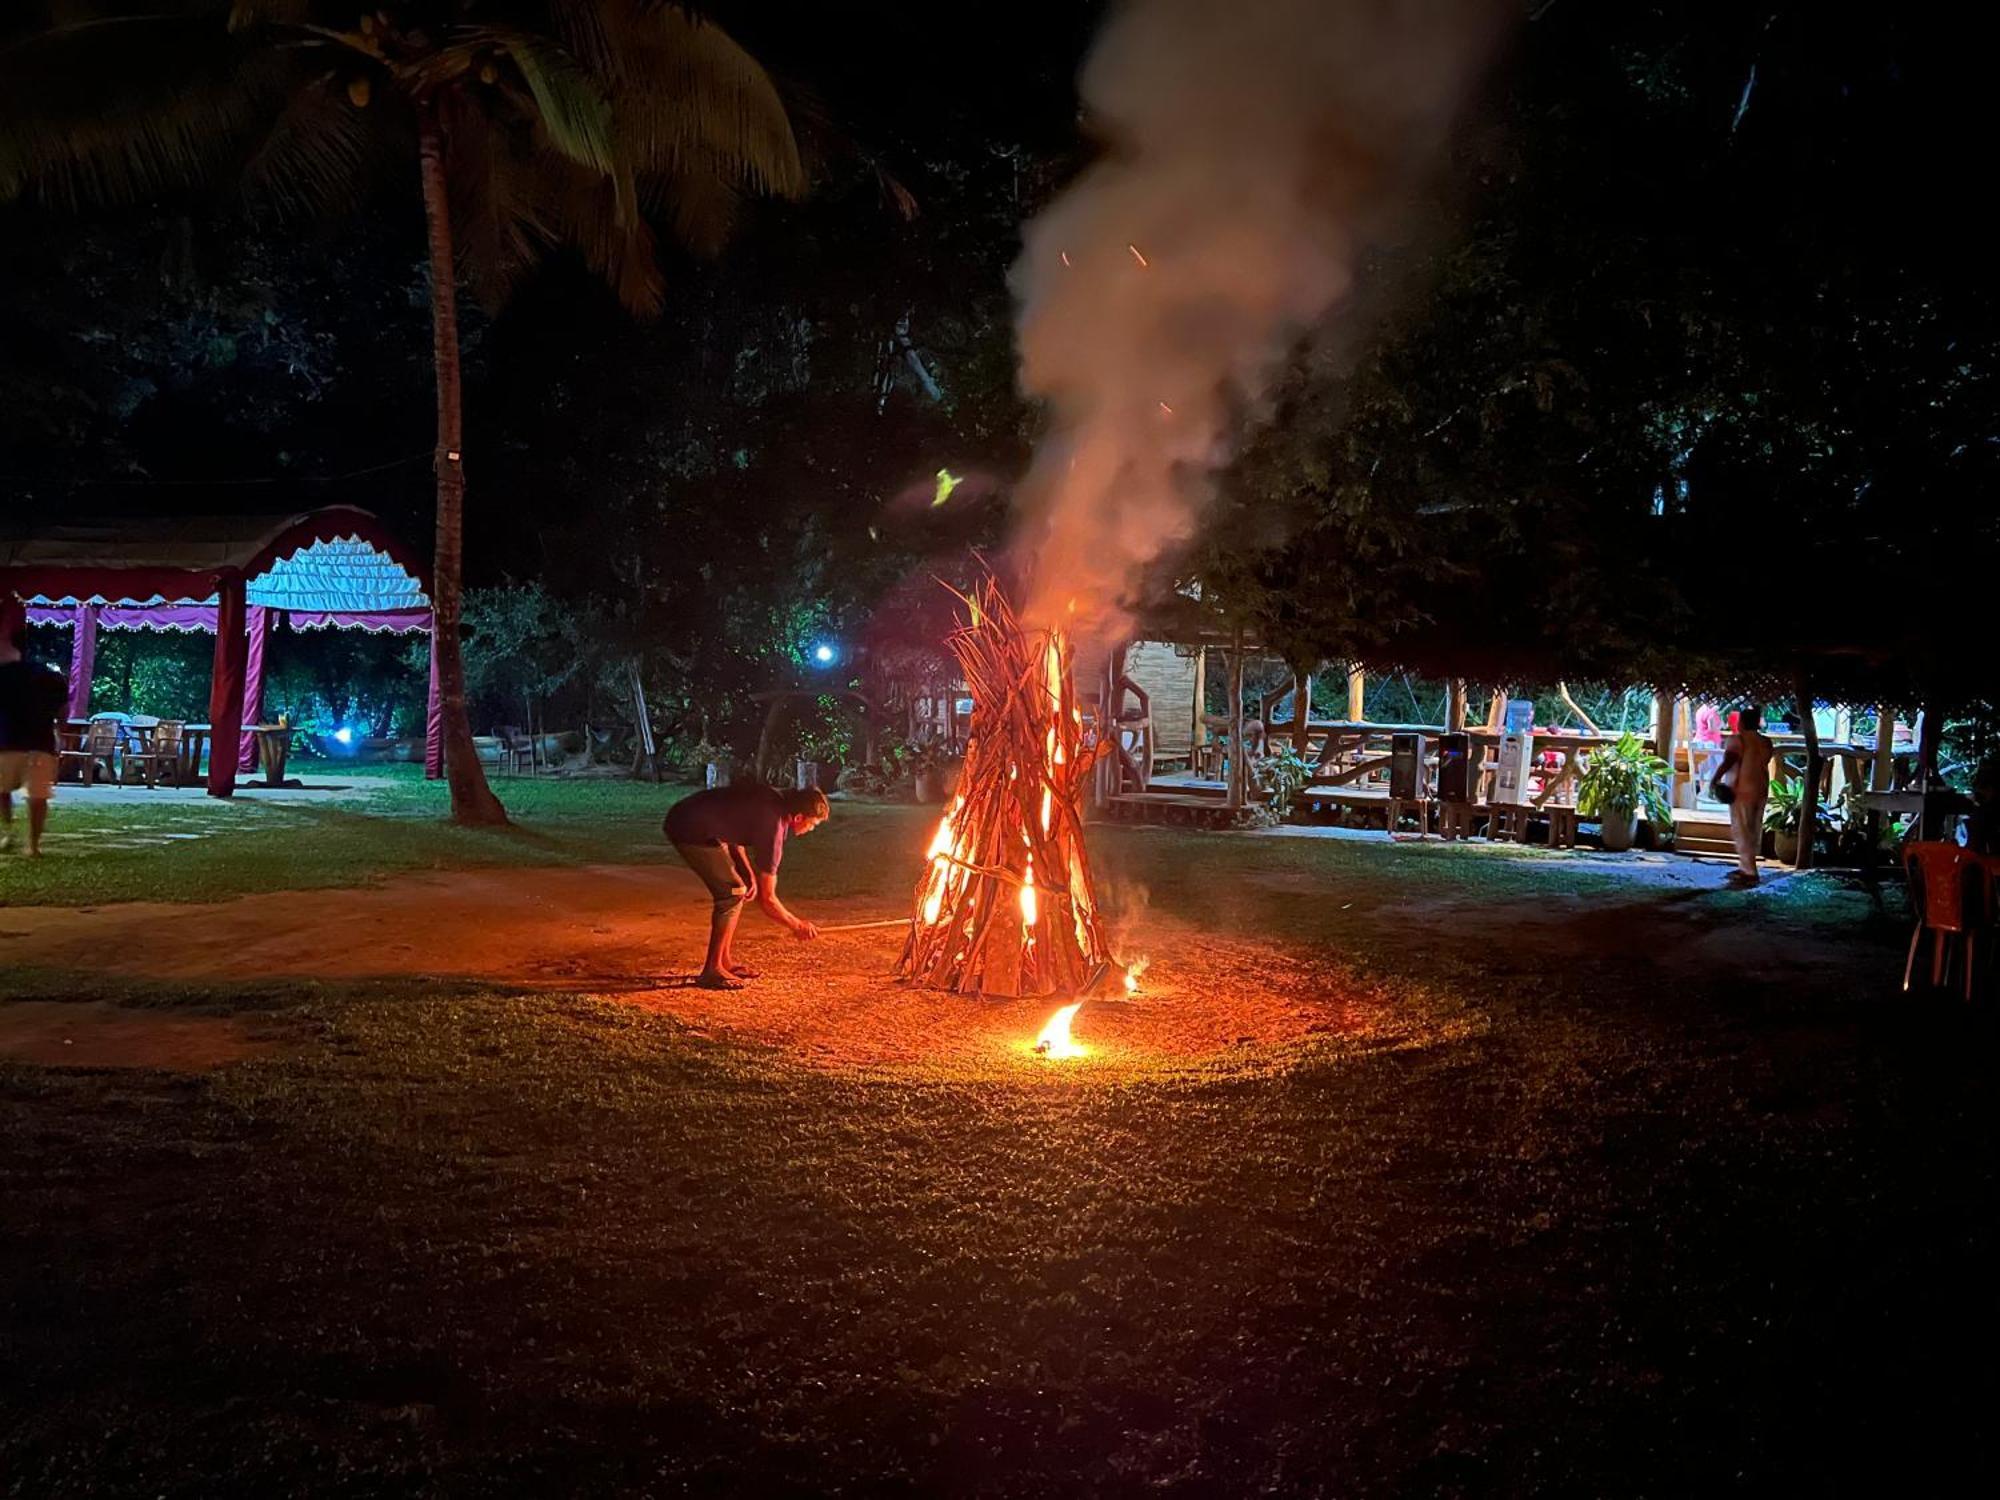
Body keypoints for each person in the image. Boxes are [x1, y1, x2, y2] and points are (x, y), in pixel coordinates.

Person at [664, 782, 827, 988]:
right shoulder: (774, 825)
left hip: (694, 819)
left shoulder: (774, 802)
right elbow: (767, 899)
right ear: (798, 818)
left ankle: (724, 962)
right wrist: (797, 925)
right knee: (731, 893)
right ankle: (712, 970)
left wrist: (746, 870)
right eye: (813, 824)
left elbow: (735, 826)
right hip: (688, 826)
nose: (811, 829)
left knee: (737, 889)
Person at [0, 600, 69, 859]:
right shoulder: (49, 676)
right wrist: (62, 736)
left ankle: (8, 831)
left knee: (3, 790)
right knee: (37, 797)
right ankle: (33, 844)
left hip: (9, 741)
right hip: (39, 744)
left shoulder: (5, 675)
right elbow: (63, 708)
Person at [1712, 706, 1773, 886]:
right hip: (1761, 788)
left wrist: (1715, 780)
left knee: (1742, 829)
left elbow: (1729, 761)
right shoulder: (1766, 742)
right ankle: (1747, 866)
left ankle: (1749, 871)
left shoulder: (1738, 740)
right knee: (1753, 828)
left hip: (1742, 790)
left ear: (1743, 722)